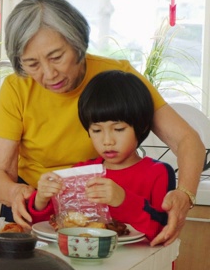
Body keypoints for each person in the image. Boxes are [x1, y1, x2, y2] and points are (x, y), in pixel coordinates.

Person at [0, 0, 204, 246]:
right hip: (38, 207)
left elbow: (187, 140)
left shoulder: (116, 77)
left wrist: (185, 194)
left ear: (77, 43)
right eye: (32, 64)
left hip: (105, 209)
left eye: (57, 57)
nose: (48, 74)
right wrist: (17, 193)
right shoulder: (16, 88)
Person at [28, 70, 174, 241]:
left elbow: (164, 232)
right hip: (86, 264)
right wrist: (41, 199)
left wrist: (124, 200)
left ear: (141, 126)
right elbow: (46, 228)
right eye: (96, 130)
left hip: (143, 266)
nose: (107, 141)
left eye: (118, 129)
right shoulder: (81, 173)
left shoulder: (158, 173)